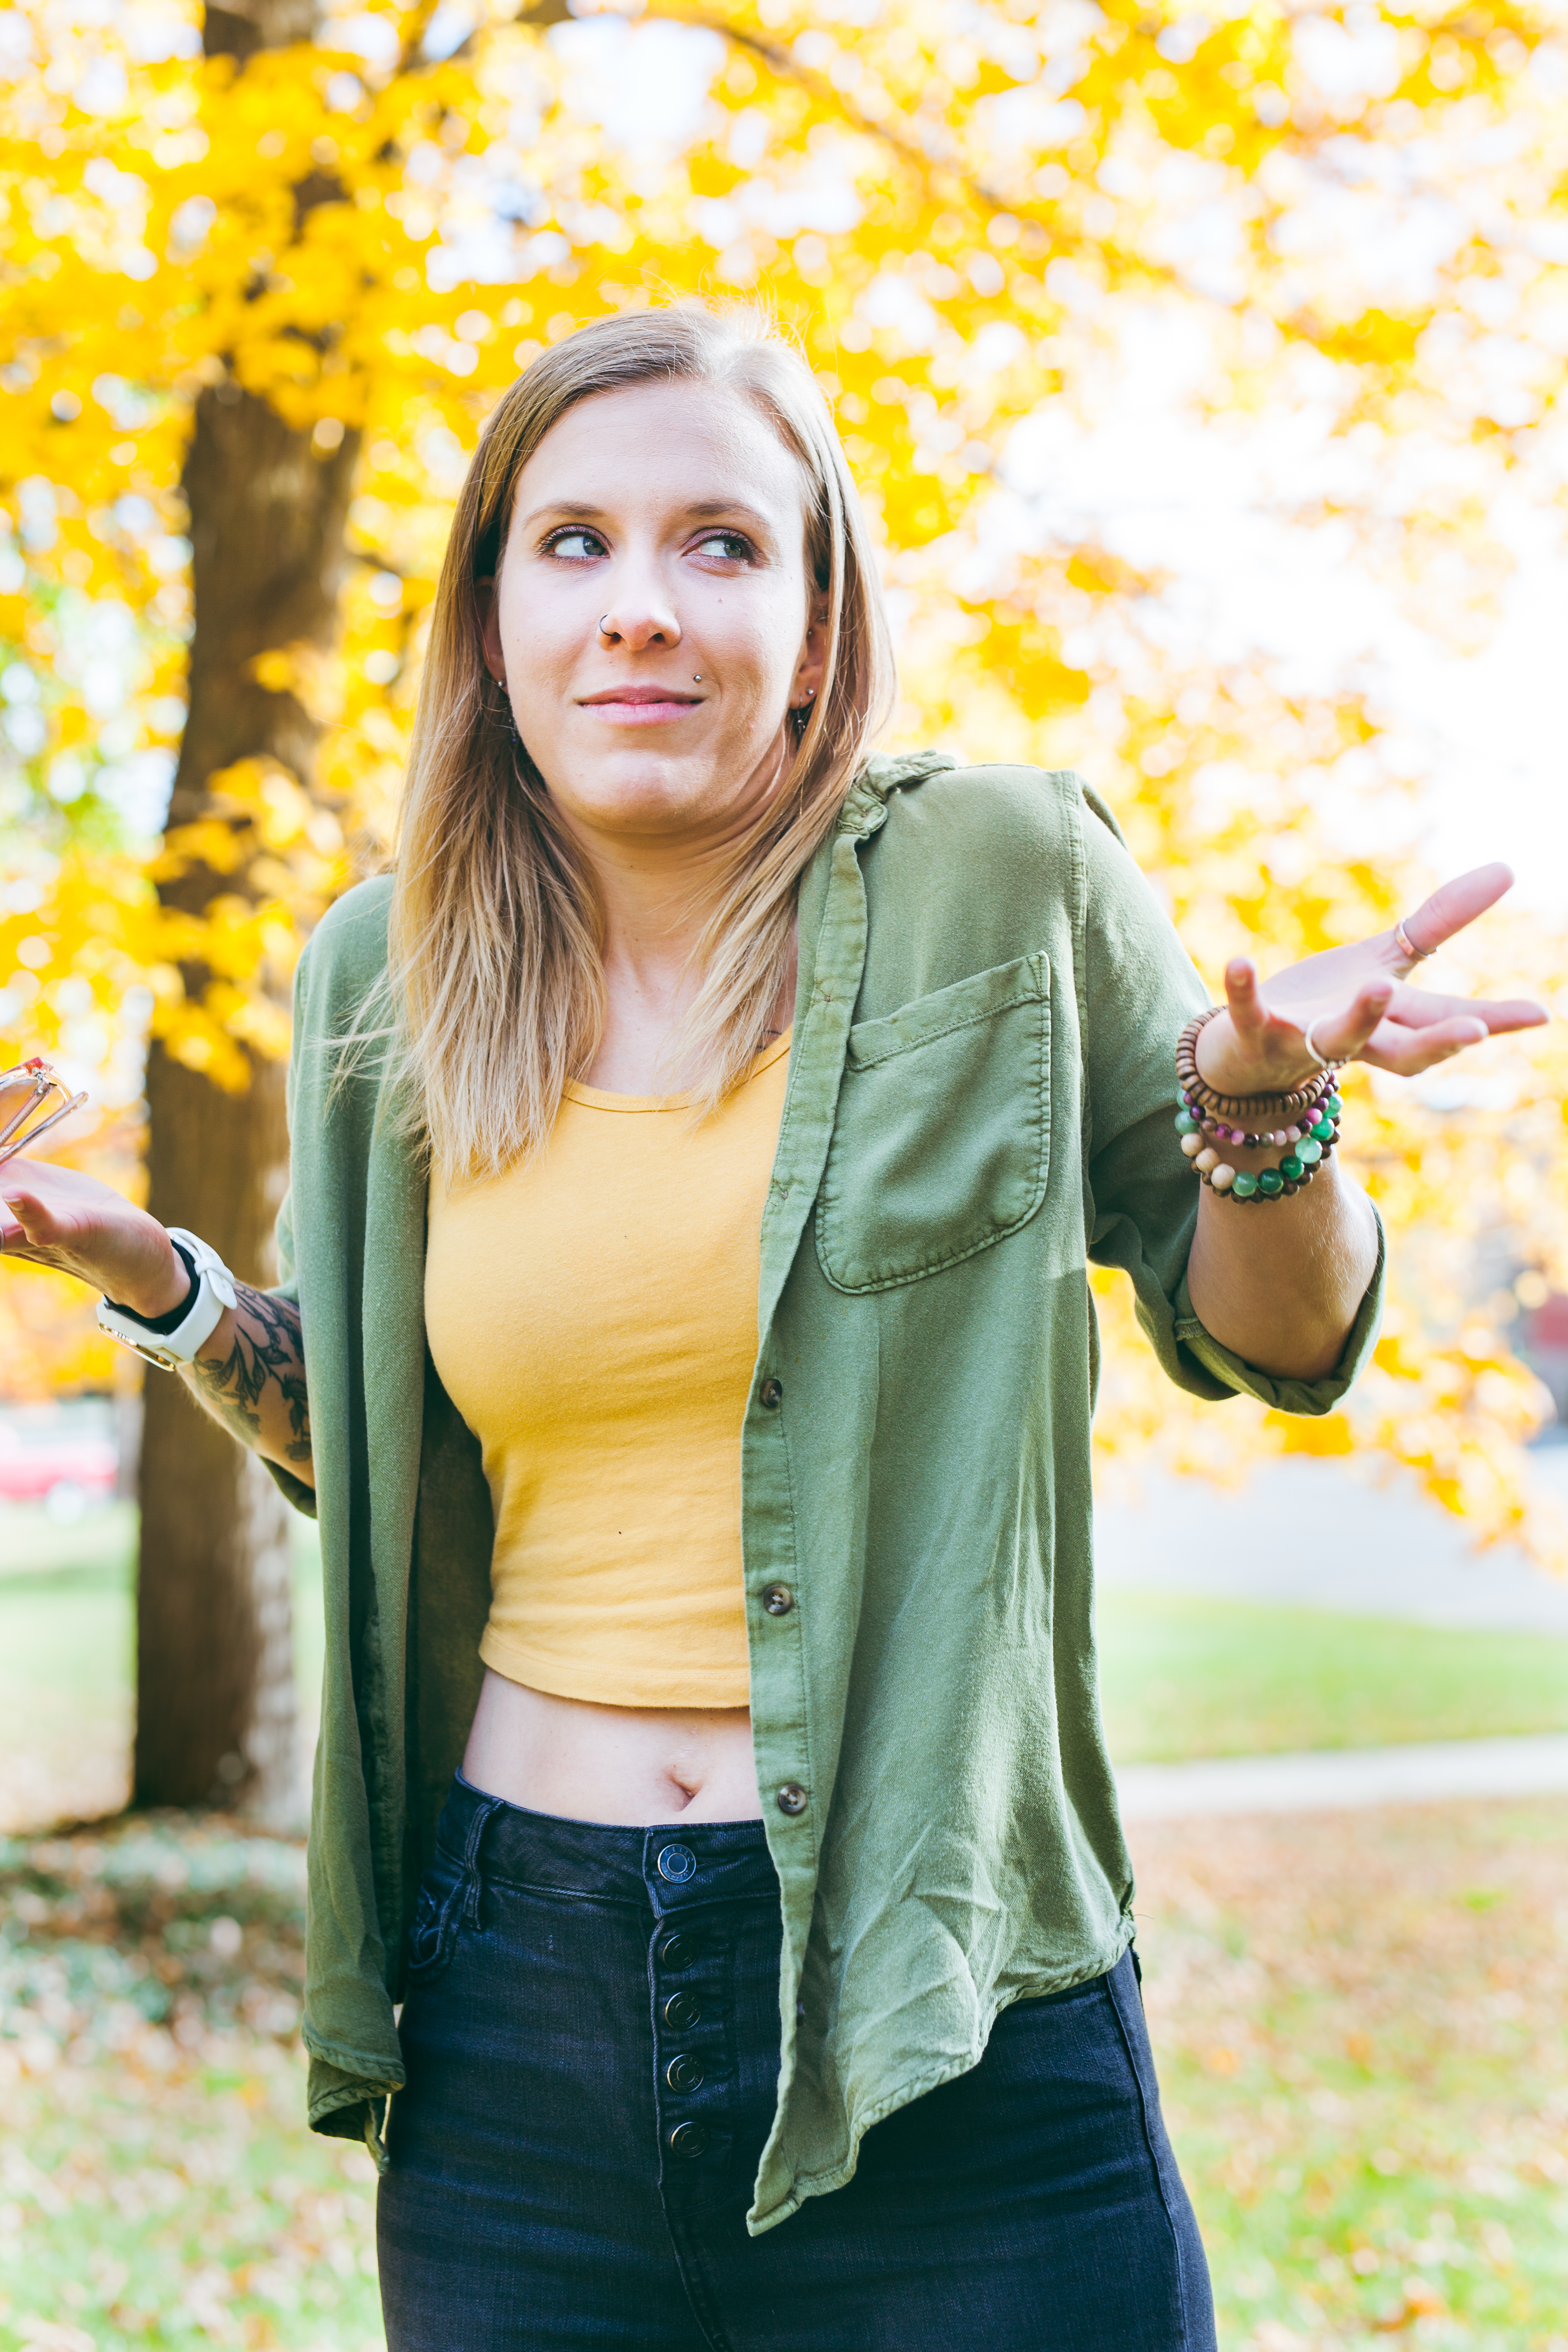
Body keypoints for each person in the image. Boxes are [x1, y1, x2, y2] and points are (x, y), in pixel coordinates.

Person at [0, 302, 1544, 2352]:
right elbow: (389, 1465)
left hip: (949, 1986)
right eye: (575, 546)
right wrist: (166, 1289)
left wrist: (1260, 1112)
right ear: (490, 622)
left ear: (816, 624)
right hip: (517, 2009)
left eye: (721, 543)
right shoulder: (383, 979)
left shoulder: (1009, 879)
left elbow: (1276, 1340)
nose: (642, 605)